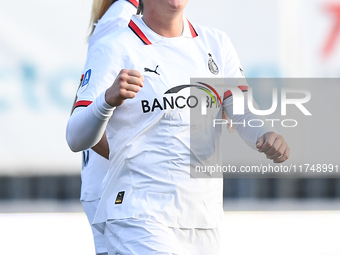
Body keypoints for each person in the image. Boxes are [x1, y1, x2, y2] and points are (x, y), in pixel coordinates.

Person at [66, 0, 290, 254]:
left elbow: (243, 114)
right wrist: (107, 102)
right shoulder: (115, 43)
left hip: (203, 217)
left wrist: (265, 135)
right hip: (138, 214)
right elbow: (75, 136)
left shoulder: (216, 43)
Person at [71, 1, 139, 254]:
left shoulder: (124, 14)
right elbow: (82, 112)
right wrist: (147, 165)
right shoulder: (123, 18)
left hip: (120, 189)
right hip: (119, 190)